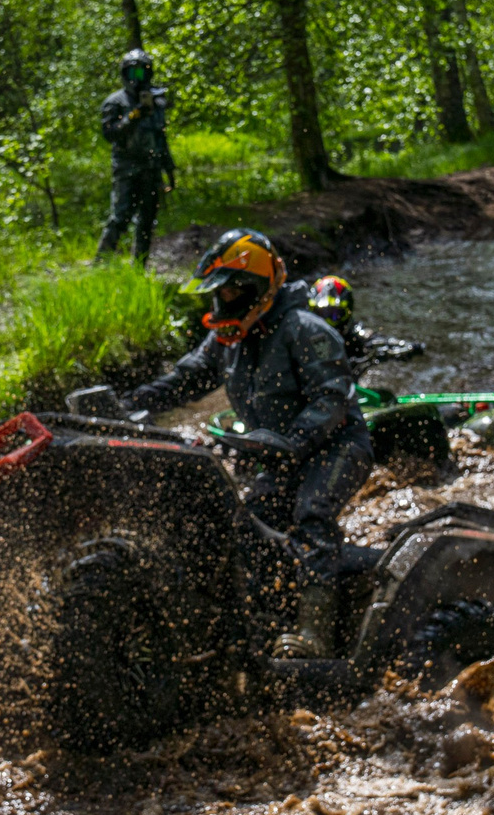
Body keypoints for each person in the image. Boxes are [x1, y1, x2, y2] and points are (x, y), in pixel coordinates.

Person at [127, 230, 373, 659]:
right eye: (218, 295)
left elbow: (332, 399)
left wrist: (292, 443)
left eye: (232, 292)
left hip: (336, 446)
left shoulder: (305, 330)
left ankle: (315, 635)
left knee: (311, 514)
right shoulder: (227, 340)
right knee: (248, 525)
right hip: (278, 451)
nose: (223, 303)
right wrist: (131, 405)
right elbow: (185, 378)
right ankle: (260, 623)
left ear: (260, 289)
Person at [96, 48, 178, 266]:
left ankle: (139, 266)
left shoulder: (157, 102)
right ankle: (101, 263)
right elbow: (110, 134)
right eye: (134, 73)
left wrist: (169, 169)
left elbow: (161, 137)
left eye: (142, 73)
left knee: (147, 220)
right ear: (125, 74)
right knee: (120, 217)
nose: (138, 79)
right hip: (126, 169)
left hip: (151, 169)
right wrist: (133, 116)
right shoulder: (115, 102)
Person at [302, 274, 422, 377]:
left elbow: (375, 340)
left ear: (348, 312)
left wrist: (404, 348)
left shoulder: (355, 335)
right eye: (322, 315)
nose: (328, 323)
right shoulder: (301, 336)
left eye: (334, 315)